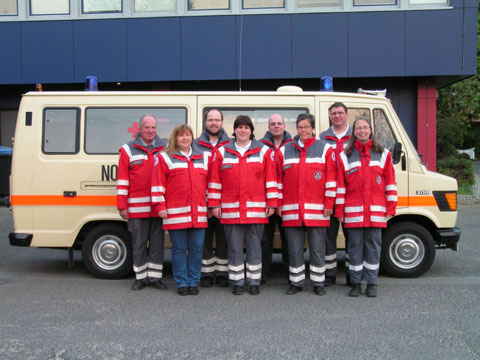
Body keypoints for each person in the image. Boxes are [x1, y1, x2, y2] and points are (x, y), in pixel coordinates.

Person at [209, 115, 278, 295]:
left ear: (251, 131)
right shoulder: (222, 152)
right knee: (234, 247)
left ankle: (254, 281)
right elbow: (215, 182)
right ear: (234, 130)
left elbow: (271, 180)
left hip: (256, 210)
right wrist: (214, 204)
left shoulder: (264, 151)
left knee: (255, 247)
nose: (243, 130)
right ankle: (237, 281)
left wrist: (272, 202)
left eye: (246, 127)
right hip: (231, 211)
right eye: (239, 127)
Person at [336, 117, 397, 297]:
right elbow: (341, 186)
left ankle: (371, 283)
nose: (362, 131)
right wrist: (339, 211)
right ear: (353, 132)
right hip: (353, 212)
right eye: (358, 128)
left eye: (365, 127)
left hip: (376, 211)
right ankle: (355, 283)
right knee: (354, 248)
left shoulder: (383, 154)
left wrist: (391, 207)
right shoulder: (345, 155)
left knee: (373, 248)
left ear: (370, 130)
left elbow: (390, 183)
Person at [277, 113, 336, 296]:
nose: (303, 130)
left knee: (318, 248)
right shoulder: (285, 150)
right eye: (300, 127)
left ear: (312, 128)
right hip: (292, 210)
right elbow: (278, 180)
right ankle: (296, 282)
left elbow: (331, 180)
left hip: (317, 210)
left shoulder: (325, 149)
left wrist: (329, 203)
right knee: (294, 249)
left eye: (306, 127)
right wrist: (278, 203)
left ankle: (318, 282)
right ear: (296, 129)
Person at [151, 124, 210, 296]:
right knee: (178, 249)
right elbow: (158, 184)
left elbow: (209, 185)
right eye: (181, 136)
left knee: (197, 249)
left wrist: (210, 205)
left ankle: (193, 281)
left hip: (198, 213)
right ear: (175, 138)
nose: (185, 138)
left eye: (188, 135)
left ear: (192, 138)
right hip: (176, 214)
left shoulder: (203, 157)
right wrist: (160, 206)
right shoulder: (165, 158)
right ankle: (181, 283)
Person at [117, 114, 167, 291]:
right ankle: (139, 277)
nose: (150, 131)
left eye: (153, 127)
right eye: (147, 127)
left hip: (157, 208)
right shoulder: (128, 150)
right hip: (137, 209)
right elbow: (122, 180)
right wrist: (122, 206)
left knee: (157, 244)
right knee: (138, 243)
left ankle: (154, 278)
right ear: (140, 129)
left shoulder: (165, 148)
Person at [193, 109, 231, 288]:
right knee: (205, 240)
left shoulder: (231, 145)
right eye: (210, 120)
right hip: (202, 201)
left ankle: (223, 273)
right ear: (205, 122)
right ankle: (207, 274)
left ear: (222, 122)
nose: (214, 123)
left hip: (226, 202)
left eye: (217, 120)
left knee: (224, 240)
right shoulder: (195, 146)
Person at [318, 102, 352, 287]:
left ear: (347, 115)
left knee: (352, 237)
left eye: (340, 113)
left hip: (351, 194)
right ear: (330, 116)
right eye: (334, 113)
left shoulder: (356, 136)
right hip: (329, 193)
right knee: (328, 237)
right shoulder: (323, 138)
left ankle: (350, 273)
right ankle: (329, 274)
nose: (337, 116)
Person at [260, 114, 292, 284]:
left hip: (287, 201)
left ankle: (290, 275)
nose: (276, 126)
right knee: (265, 240)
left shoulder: (293, 145)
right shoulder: (260, 146)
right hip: (266, 201)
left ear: (284, 125)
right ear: (268, 127)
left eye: (279, 123)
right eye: (273, 124)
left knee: (288, 240)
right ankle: (263, 275)